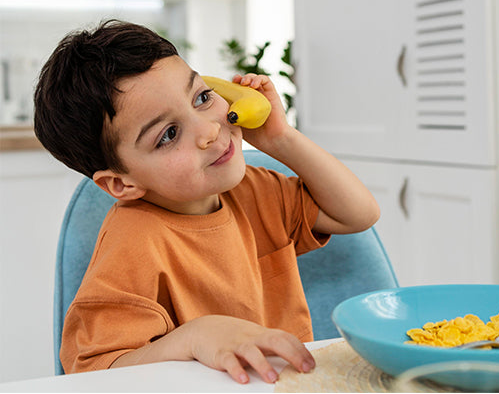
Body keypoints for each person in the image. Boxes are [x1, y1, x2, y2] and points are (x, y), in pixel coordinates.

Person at [33, 20, 380, 384]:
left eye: (201, 97)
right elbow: (92, 374)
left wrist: (281, 139)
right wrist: (192, 337)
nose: (210, 130)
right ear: (121, 183)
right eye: (169, 134)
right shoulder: (131, 245)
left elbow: (359, 214)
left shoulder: (257, 191)